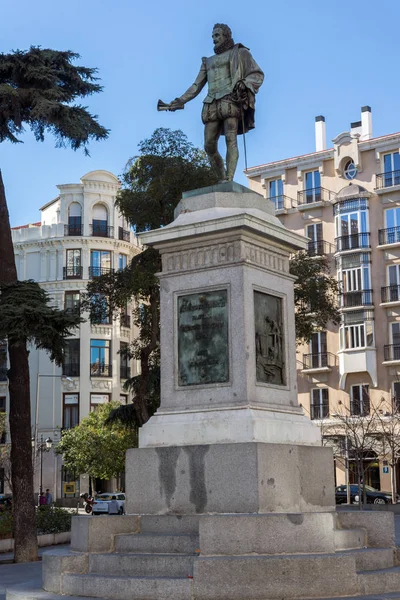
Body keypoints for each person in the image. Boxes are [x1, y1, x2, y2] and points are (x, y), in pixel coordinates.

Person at [163, 23, 264, 182]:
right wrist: (180, 101)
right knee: (209, 146)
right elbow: (196, 85)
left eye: (217, 35)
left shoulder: (240, 53)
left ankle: (229, 178)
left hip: (230, 100)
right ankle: (221, 177)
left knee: (231, 139)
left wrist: (245, 83)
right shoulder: (207, 62)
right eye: (213, 36)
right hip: (211, 103)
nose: (214, 39)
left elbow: (257, 74)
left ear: (226, 36)